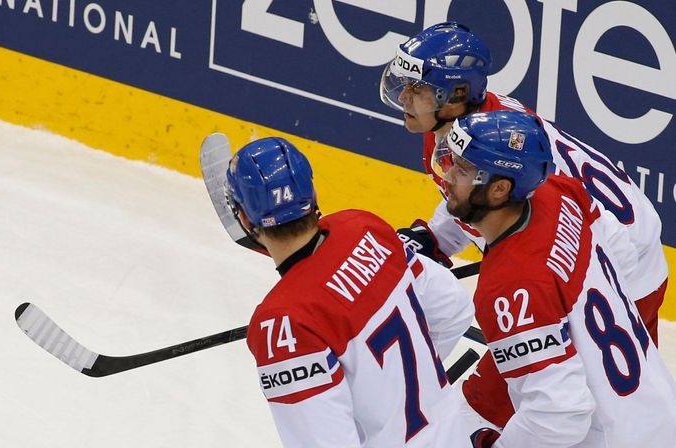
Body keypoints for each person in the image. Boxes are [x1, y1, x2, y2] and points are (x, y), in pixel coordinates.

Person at [380, 21, 669, 427]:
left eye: (418, 89)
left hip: (620, 261)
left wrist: (545, 290)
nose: (404, 97)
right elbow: (478, 196)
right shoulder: (481, 128)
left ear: (457, 94)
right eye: (404, 83)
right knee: (615, 412)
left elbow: (539, 226)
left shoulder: (490, 150)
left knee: (503, 409)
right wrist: (436, 237)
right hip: (626, 250)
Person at [433, 110, 676, 447]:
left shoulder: (509, 287)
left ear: (500, 189)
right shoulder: (562, 194)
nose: (447, 177)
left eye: (463, 170)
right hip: (657, 409)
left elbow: (559, 416)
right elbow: (620, 252)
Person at [223, 136, 476, 447]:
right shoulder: (365, 228)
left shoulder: (283, 324)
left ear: (246, 219)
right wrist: (401, 388)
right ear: (312, 194)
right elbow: (453, 307)